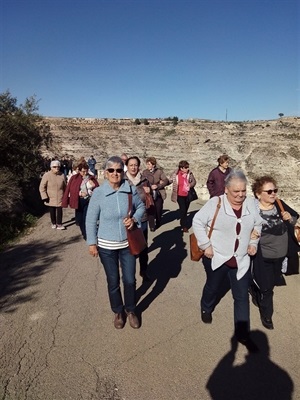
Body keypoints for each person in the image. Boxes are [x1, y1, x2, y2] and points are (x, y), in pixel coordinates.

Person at [192, 169, 263, 351]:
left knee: (241, 298)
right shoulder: (216, 203)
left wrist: (253, 242)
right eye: (236, 191)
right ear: (226, 190)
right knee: (213, 286)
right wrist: (206, 244)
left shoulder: (250, 204)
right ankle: (206, 307)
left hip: (241, 260)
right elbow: (197, 221)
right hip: (217, 257)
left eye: (243, 191)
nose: (240, 195)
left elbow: (258, 224)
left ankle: (243, 334)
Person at [86, 156, 146, 329]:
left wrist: (134, 218)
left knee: (129, 280)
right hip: (106, 246)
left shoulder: (130, 189)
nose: (115, 173)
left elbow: (141, 207)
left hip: (127, 244)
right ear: (105, 173)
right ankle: (118, 311)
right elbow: (90, 220)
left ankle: (131, 310)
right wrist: (92, 243)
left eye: (119, 170)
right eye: (111, 170)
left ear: (123, 172)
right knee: (113, 281)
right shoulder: (99, 193)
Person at [250, 176, 300, 330]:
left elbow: (295, 221)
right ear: (258, 194)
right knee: (267, 288)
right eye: (269, 191)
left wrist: (290, 218)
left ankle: (255, 291)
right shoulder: (251, 209)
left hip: (281, 255)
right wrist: (249, 233)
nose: (273, 194)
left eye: (275, 190)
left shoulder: (279, 204)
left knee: (269, 282)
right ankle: (267, 315)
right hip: (262, 256)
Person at [125, 156, 152, 281]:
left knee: (143, 246)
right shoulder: (122, 179)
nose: (133, 167)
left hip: (142, 217)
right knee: (127, 247)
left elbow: (153, 196)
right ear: (127, 166)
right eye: (131, 165)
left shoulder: (144, 180)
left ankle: (143, 270)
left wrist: (151, 191)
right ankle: (129, 274)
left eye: (135, 165)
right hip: (126, 218)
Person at [62, 162, 99, 240]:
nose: (84, 173)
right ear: (79, 171)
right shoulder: (74, 178)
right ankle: (83, 232)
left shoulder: (91, 178)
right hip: (78, 201)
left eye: (86, 171)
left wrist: (93, 186)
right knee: (80, 219)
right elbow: (71, 189)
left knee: (85, 218)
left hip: (89, 201)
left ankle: (87, 235)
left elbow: (97, 188)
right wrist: (79, 193)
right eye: (82, 171)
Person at [142, 157, 169, 231]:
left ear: (153, 165)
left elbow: (166, 180)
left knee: (158, 209)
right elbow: (143, 181)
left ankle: (158, 221)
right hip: (149, 193)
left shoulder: (159, 172)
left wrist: (158, 186)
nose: (147, 166)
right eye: (147, 164)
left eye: (149, 164)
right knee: (150, 209)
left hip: (158, 193)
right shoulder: (145, 172)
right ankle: (151, 226)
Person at [169, 160, 197, 233]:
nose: (187, 169)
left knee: (185, 210)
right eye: (186, 167)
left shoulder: (189, 174)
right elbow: (169, 180)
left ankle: (183, 221)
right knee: (183, 209)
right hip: (179, 195)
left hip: (187, 195)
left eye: (187, 167)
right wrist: (162, 183)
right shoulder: (176, 174)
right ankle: (184, 226)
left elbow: (194, 181)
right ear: (181, 168)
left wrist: (190, 185)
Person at [39, 160, 67, 230]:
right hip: (50, 197)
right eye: (54, 167)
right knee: (52, 211)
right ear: (51, 167)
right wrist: (44, 197)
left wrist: (66, 196)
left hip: (60, 196)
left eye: (58, 167)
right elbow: (42, 187)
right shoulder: (47, 175)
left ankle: (59, 224)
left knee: (60, 210)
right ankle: (53, 223)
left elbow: (65, 186)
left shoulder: (62, 175)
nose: (57, 168)